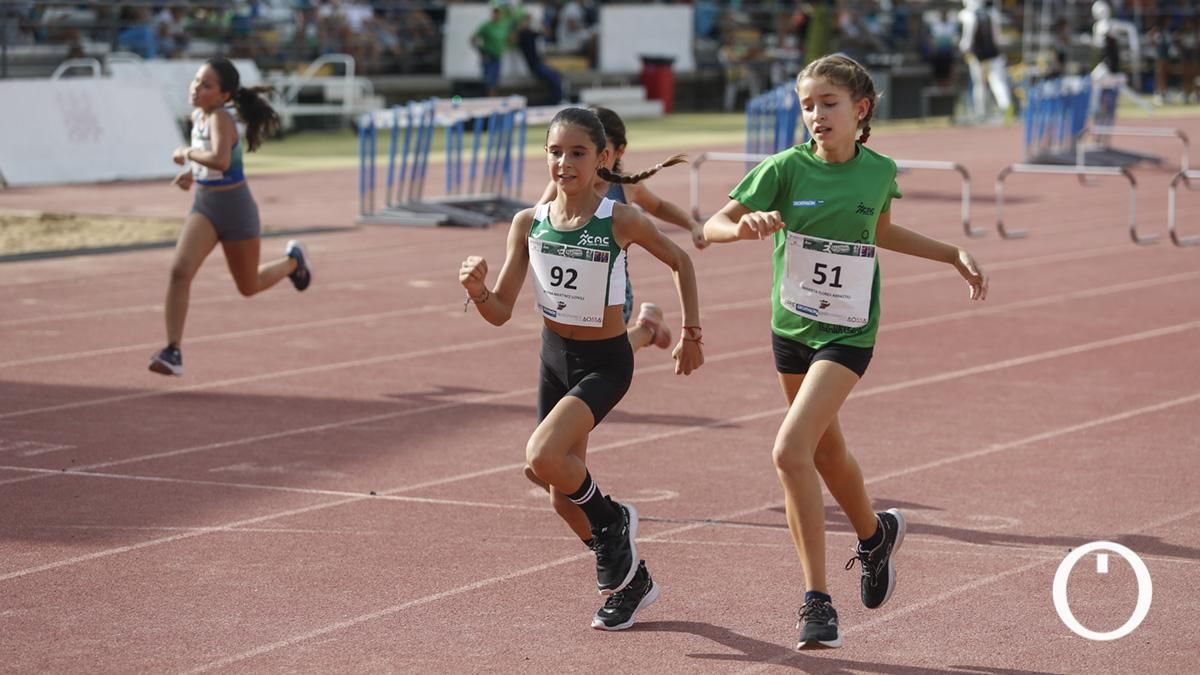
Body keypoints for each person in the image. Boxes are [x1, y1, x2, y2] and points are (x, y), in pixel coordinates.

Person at [702, 54, 988, 650]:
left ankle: (817, 601)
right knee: (826, 454)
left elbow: (879, 232)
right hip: (790, 331)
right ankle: (875, 535)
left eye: (828, 104)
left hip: (848, 334)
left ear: (860, 110)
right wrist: (744, 226)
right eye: (807, 105)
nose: (815, 115)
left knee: (789, 451)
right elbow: (710, 227)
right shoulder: (783, 169)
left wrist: (950, 253)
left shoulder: (878, 171)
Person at [458, 107, 704, 631]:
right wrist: (478, 290)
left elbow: (681, 261)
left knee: (542, 455)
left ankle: (614, 520)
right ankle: (630, 581)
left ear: (603, 160)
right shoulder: (529, 223)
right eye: (555, 152)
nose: (564, 163)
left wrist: (691, 333)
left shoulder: (619, 220)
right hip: (554, 359)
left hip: (605, 363)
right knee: (556, 493)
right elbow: (500, 311)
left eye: (577, 153)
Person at [149, 58, 312, 376]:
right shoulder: (199, 116)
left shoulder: (221, 119)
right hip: (206, 208)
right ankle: (173, 350)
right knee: (180, 271)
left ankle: (294, 262)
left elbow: (222, 160)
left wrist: (186, 153)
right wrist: (191, 174)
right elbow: (210, 164)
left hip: (237, 211)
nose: (196, 88)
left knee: (248, 286)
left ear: (224, 96)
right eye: (196, 80)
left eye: (206, 85)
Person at [533, 106, 708, 355]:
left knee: (608, 354)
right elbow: (536, 221)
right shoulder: (562, 185)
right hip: (571, 292)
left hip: (613, 292)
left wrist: (692, 225)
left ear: (612, 153)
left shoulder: (627, 188)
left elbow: (659, 206)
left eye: (581, 153)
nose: (571, 162)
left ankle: (647, 329)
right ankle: (649, 326)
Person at [957, 0, 1012, 120]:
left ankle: (981, 112)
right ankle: (1005, 106)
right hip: (994, 55)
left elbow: (966, 42)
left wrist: (963, 51)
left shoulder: (968, 16)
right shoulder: (992, 13)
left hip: (978, 57)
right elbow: (998, 39)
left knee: (979, 84)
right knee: (997, 82)